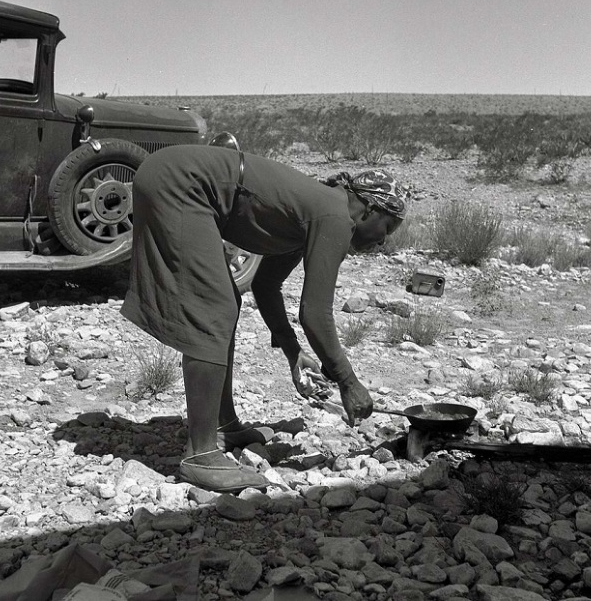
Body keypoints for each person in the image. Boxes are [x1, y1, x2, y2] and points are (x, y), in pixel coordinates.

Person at [120, 144, 408, 493]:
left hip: (175, 178)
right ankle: (199, 453)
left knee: (226, 303)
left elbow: (266, 284)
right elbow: (315, 313)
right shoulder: (335, 217)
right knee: (214, 307)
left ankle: (223, 425)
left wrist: (291, 350)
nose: (382, 241)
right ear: (369, 210)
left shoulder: (316, 213)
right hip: (179, 184)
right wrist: (348, 382)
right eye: (388, 227)